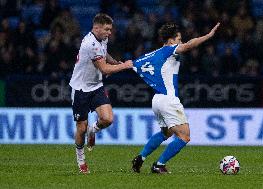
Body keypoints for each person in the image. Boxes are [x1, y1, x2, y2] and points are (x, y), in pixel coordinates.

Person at [131, 22, 220, 174]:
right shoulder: (169, 50)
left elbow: (130, 64)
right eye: (179, 39)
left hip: (157, 99)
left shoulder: (152, 54)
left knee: (166, 133)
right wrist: (208, 36)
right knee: (184, 136)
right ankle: (159, 165)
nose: (181, 42)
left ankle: (141, 157)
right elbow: (188, 46)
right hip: (168, 100)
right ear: (171, 40)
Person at [69, 13, 133, 174]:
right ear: (96, 27)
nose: (109, 33)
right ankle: (81, 160)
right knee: (81, 128)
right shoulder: (90, 43)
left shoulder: (102, 39)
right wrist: (124, 66)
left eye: (110, 29)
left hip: (96, 86)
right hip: (80, 89)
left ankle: (94, 129)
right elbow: (104, 69)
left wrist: (115, 63)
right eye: (106, 29)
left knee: (108, 118)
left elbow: (105, 56)